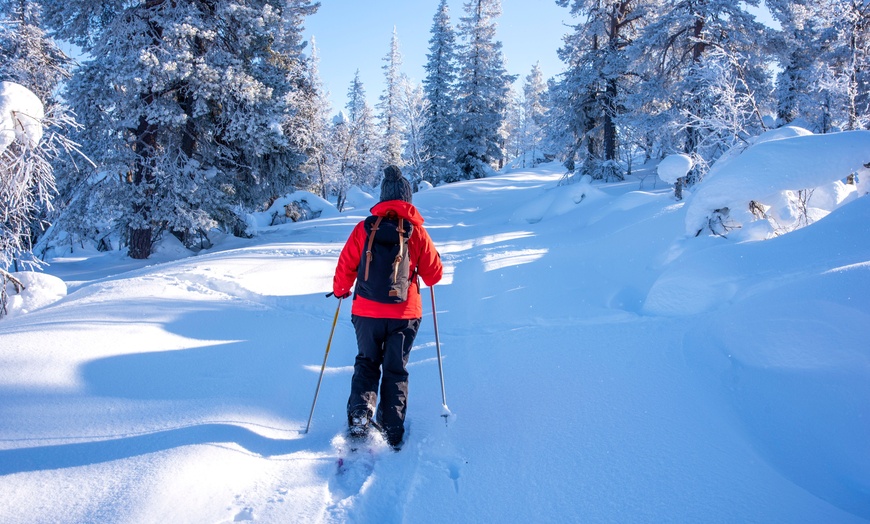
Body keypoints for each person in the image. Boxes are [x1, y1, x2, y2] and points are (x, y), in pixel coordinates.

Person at [332, 165, 443, 450]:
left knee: (367, 362)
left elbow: (346, 265)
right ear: (408, 200)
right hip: (405, 315)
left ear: (383, 198)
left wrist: (340, 290)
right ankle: (393, 426)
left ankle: (360, 413)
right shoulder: (416, 231)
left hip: (366, 312)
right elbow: (433, 275)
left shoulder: (364, 228)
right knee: (395, 368)